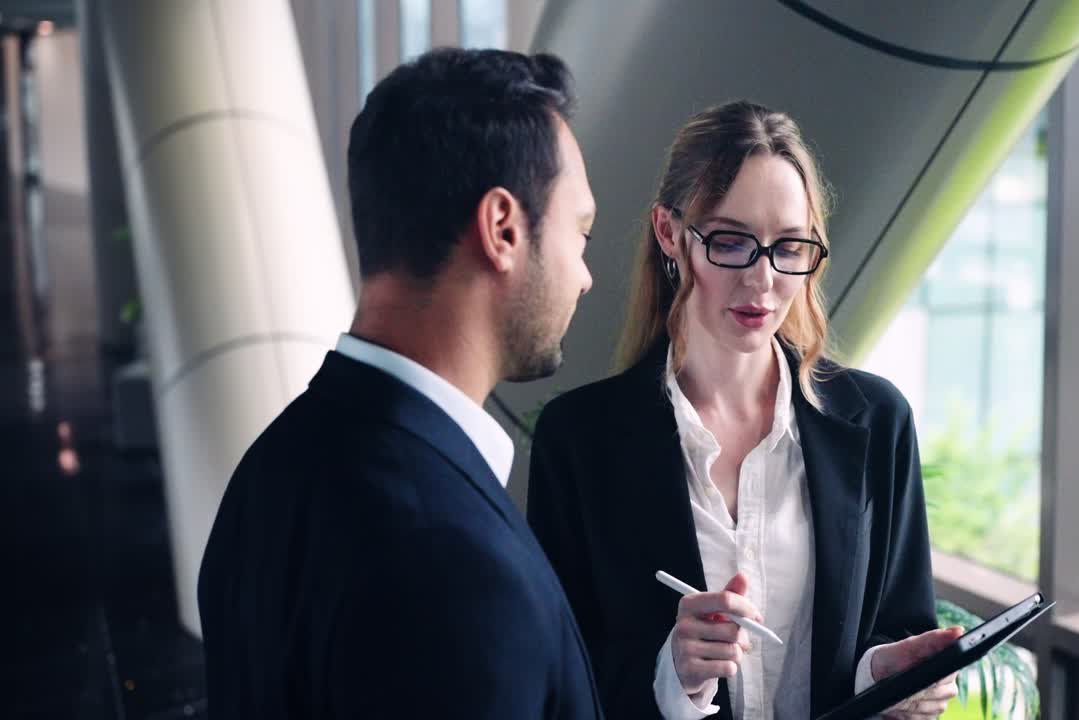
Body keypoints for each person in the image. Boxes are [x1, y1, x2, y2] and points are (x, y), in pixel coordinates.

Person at [198, 48, 601, 718]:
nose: (584, 275)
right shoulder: (455, 566)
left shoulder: (270, 467)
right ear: (503, 228)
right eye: (580, 232)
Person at [527, 100, 959, 720]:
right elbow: (559, 682)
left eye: (789, 247)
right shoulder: (581, 442)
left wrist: (883, 678)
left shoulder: (877, 421)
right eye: (731, 243)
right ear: (671, 234)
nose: (762, 282)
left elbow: (895, 631)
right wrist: (672, 677)